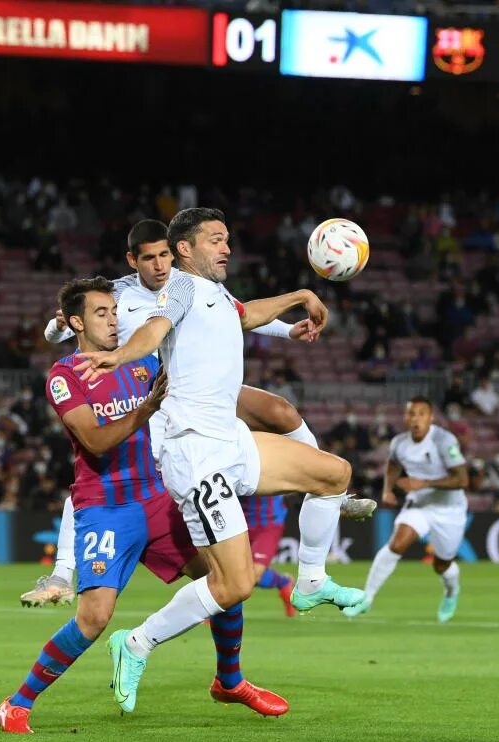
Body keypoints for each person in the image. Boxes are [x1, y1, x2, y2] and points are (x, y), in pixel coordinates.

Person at [75, 208, 374, 714]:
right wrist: (118, 356)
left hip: (229, 439)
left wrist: (301, 296)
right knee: (235, 585)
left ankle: (311, 582)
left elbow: (249, 313)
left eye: (228, 239)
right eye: (216, 240)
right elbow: (153, 329)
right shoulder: (183, 288)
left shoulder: (217, 296)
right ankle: (136, 644)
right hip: (195, 450)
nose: (227, 248)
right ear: (186, 250)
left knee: (333, 473)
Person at [0, 277, 286, 734]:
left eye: (114, 311)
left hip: (156, 498)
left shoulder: (142, 362)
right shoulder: (65, 377)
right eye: (101, 314)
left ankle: (230, 680)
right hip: (106, 508)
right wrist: (147, 410)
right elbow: (94, 440)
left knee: (226, 579)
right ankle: (17, 703)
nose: (113, 321)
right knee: (94, 617)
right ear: (76, 323)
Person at [19, 218, 359, 608]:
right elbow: (64, 330)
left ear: (175, 252)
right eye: (149, 258)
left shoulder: (194, 285)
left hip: (187, 384)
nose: (159, 265)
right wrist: (57, 326)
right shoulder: (114, 295)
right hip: (150, 392)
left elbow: (239, 314)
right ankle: (64, 572)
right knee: (108, 477)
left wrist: (288, 329)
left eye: (164, 254)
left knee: (279, 409)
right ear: (133, 261)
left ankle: (332, 489)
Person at [346, 397, 468, 622]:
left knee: (442, 565)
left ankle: (451, 591)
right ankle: (366, 598)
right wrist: (388, 491)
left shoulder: (443, 440)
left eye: (422, 414)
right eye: (412, 414)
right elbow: (393, 465)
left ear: (431, 418)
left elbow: (462, 479)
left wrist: (424, 483)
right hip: (419, 505)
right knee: (397, 543)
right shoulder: (399, 443)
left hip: (449, 509)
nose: (416, 419)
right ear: (406, 417)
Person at [243, 494, 297, 617]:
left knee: (253, 575)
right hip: (236, 522)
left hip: (268, 522)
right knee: (231, 572)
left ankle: (216, 613)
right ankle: (284, 583)